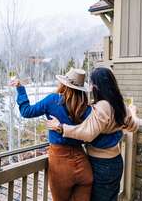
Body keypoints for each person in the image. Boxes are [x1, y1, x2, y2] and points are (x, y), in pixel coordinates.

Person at [11, 68, 123, 201]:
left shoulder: (52, 101)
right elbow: (96, 134)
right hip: (84, 165)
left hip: (61, 165)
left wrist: (20, 89)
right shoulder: (87, 107)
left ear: (63, 84)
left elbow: (26, 111)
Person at [46, 67, 139, 201]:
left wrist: (61, 127)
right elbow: (134, 126)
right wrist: (133, 113)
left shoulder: (103, 106)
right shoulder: (120, 105)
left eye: (91, 83)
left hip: (101, 164)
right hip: (116, 161)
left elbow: (88, 133)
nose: (90, 87)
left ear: (97, 86)